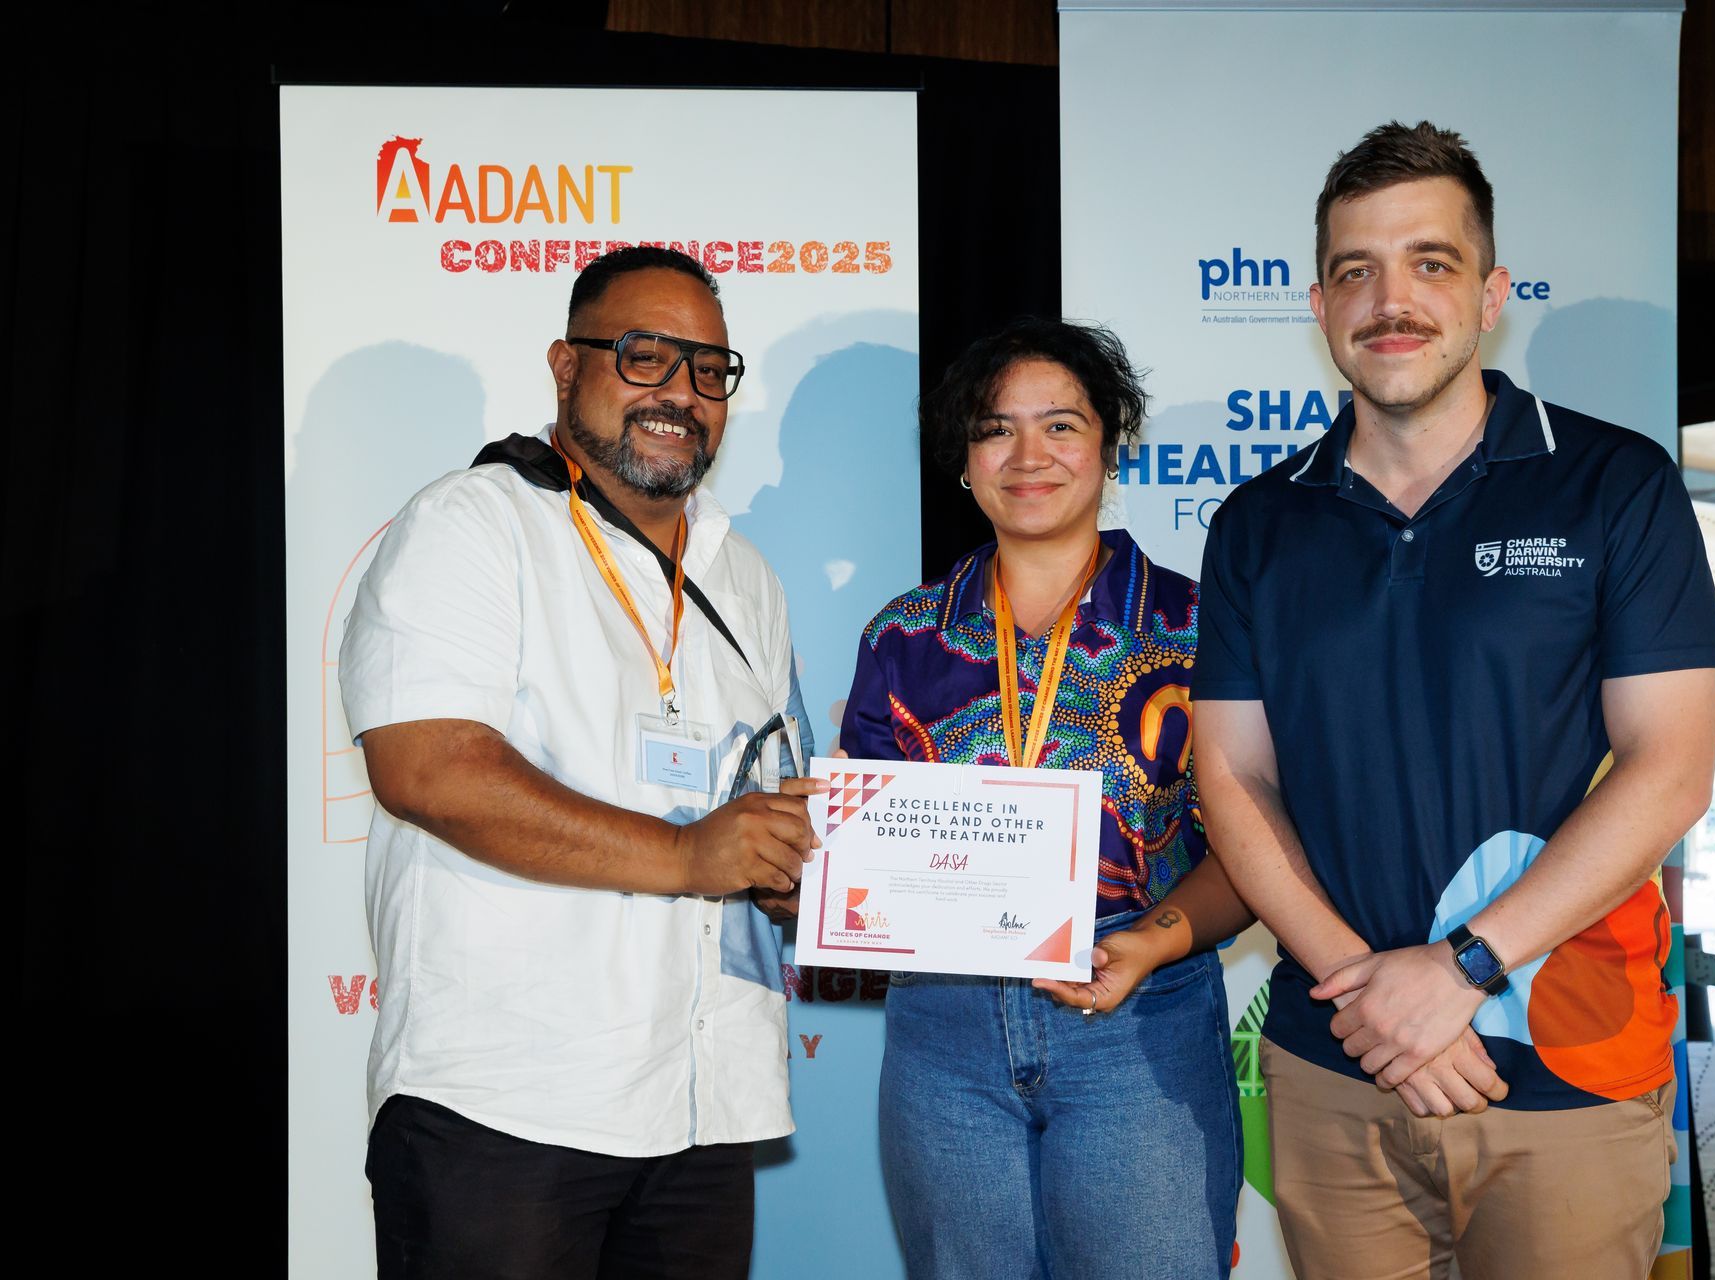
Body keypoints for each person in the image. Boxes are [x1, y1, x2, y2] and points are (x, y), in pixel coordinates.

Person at [1192, 121, 1715, 1280]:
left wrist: (1459, 971)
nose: (1392, 299)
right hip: (1335, 1056)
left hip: (1566, 1065)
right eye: (1356, 271)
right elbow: (1233, 777)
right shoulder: (1257, 523)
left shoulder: (1614, 483)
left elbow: (1670, 769)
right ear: (1322, 306)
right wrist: (1372, 996)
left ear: (1490, 296)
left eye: (1430, 263)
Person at [340, 245, 824, 1280]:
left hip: (703, 1104)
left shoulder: (744, 576)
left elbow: (777, 804)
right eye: (646, 357)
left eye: (709, 369)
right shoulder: (472, 526)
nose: (681, 394)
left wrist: (799, 875)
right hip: (507, 1106)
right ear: (568, 368)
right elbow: (430, 767)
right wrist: (691, 853)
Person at [840, 318, 1253, 1279]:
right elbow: (862, 849)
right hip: (945, 1032)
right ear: (963, 461)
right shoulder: (902, 636)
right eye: (995, 430)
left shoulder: (1201, 627)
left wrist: (1152, 940)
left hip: (1138, 1012)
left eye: (1061, 426)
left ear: (1110, 444)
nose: (1028, 456)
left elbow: (1256, 850)